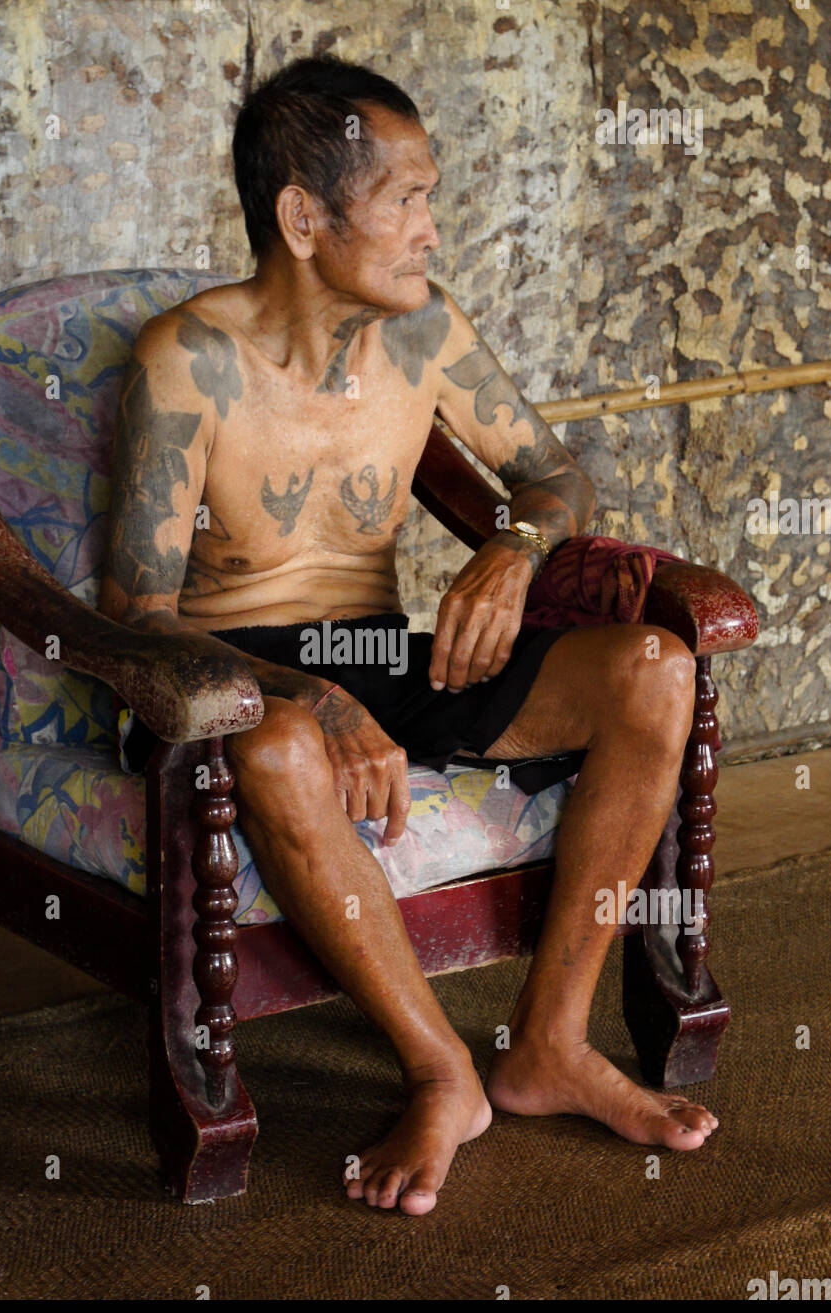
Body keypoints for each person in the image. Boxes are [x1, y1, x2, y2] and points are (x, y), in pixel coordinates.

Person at [98, 55, 718, 1217]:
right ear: (303, 217)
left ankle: (546, 1047)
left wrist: (515, 546)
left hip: (379, 655)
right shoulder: (186, 362)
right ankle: (443, 1075)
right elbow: (135, 617)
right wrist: (311, 701)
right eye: (408, 198)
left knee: (653, 670)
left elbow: (553, 472)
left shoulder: (426, 331)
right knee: (279, 744)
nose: (434, 228)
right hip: (227, 685)